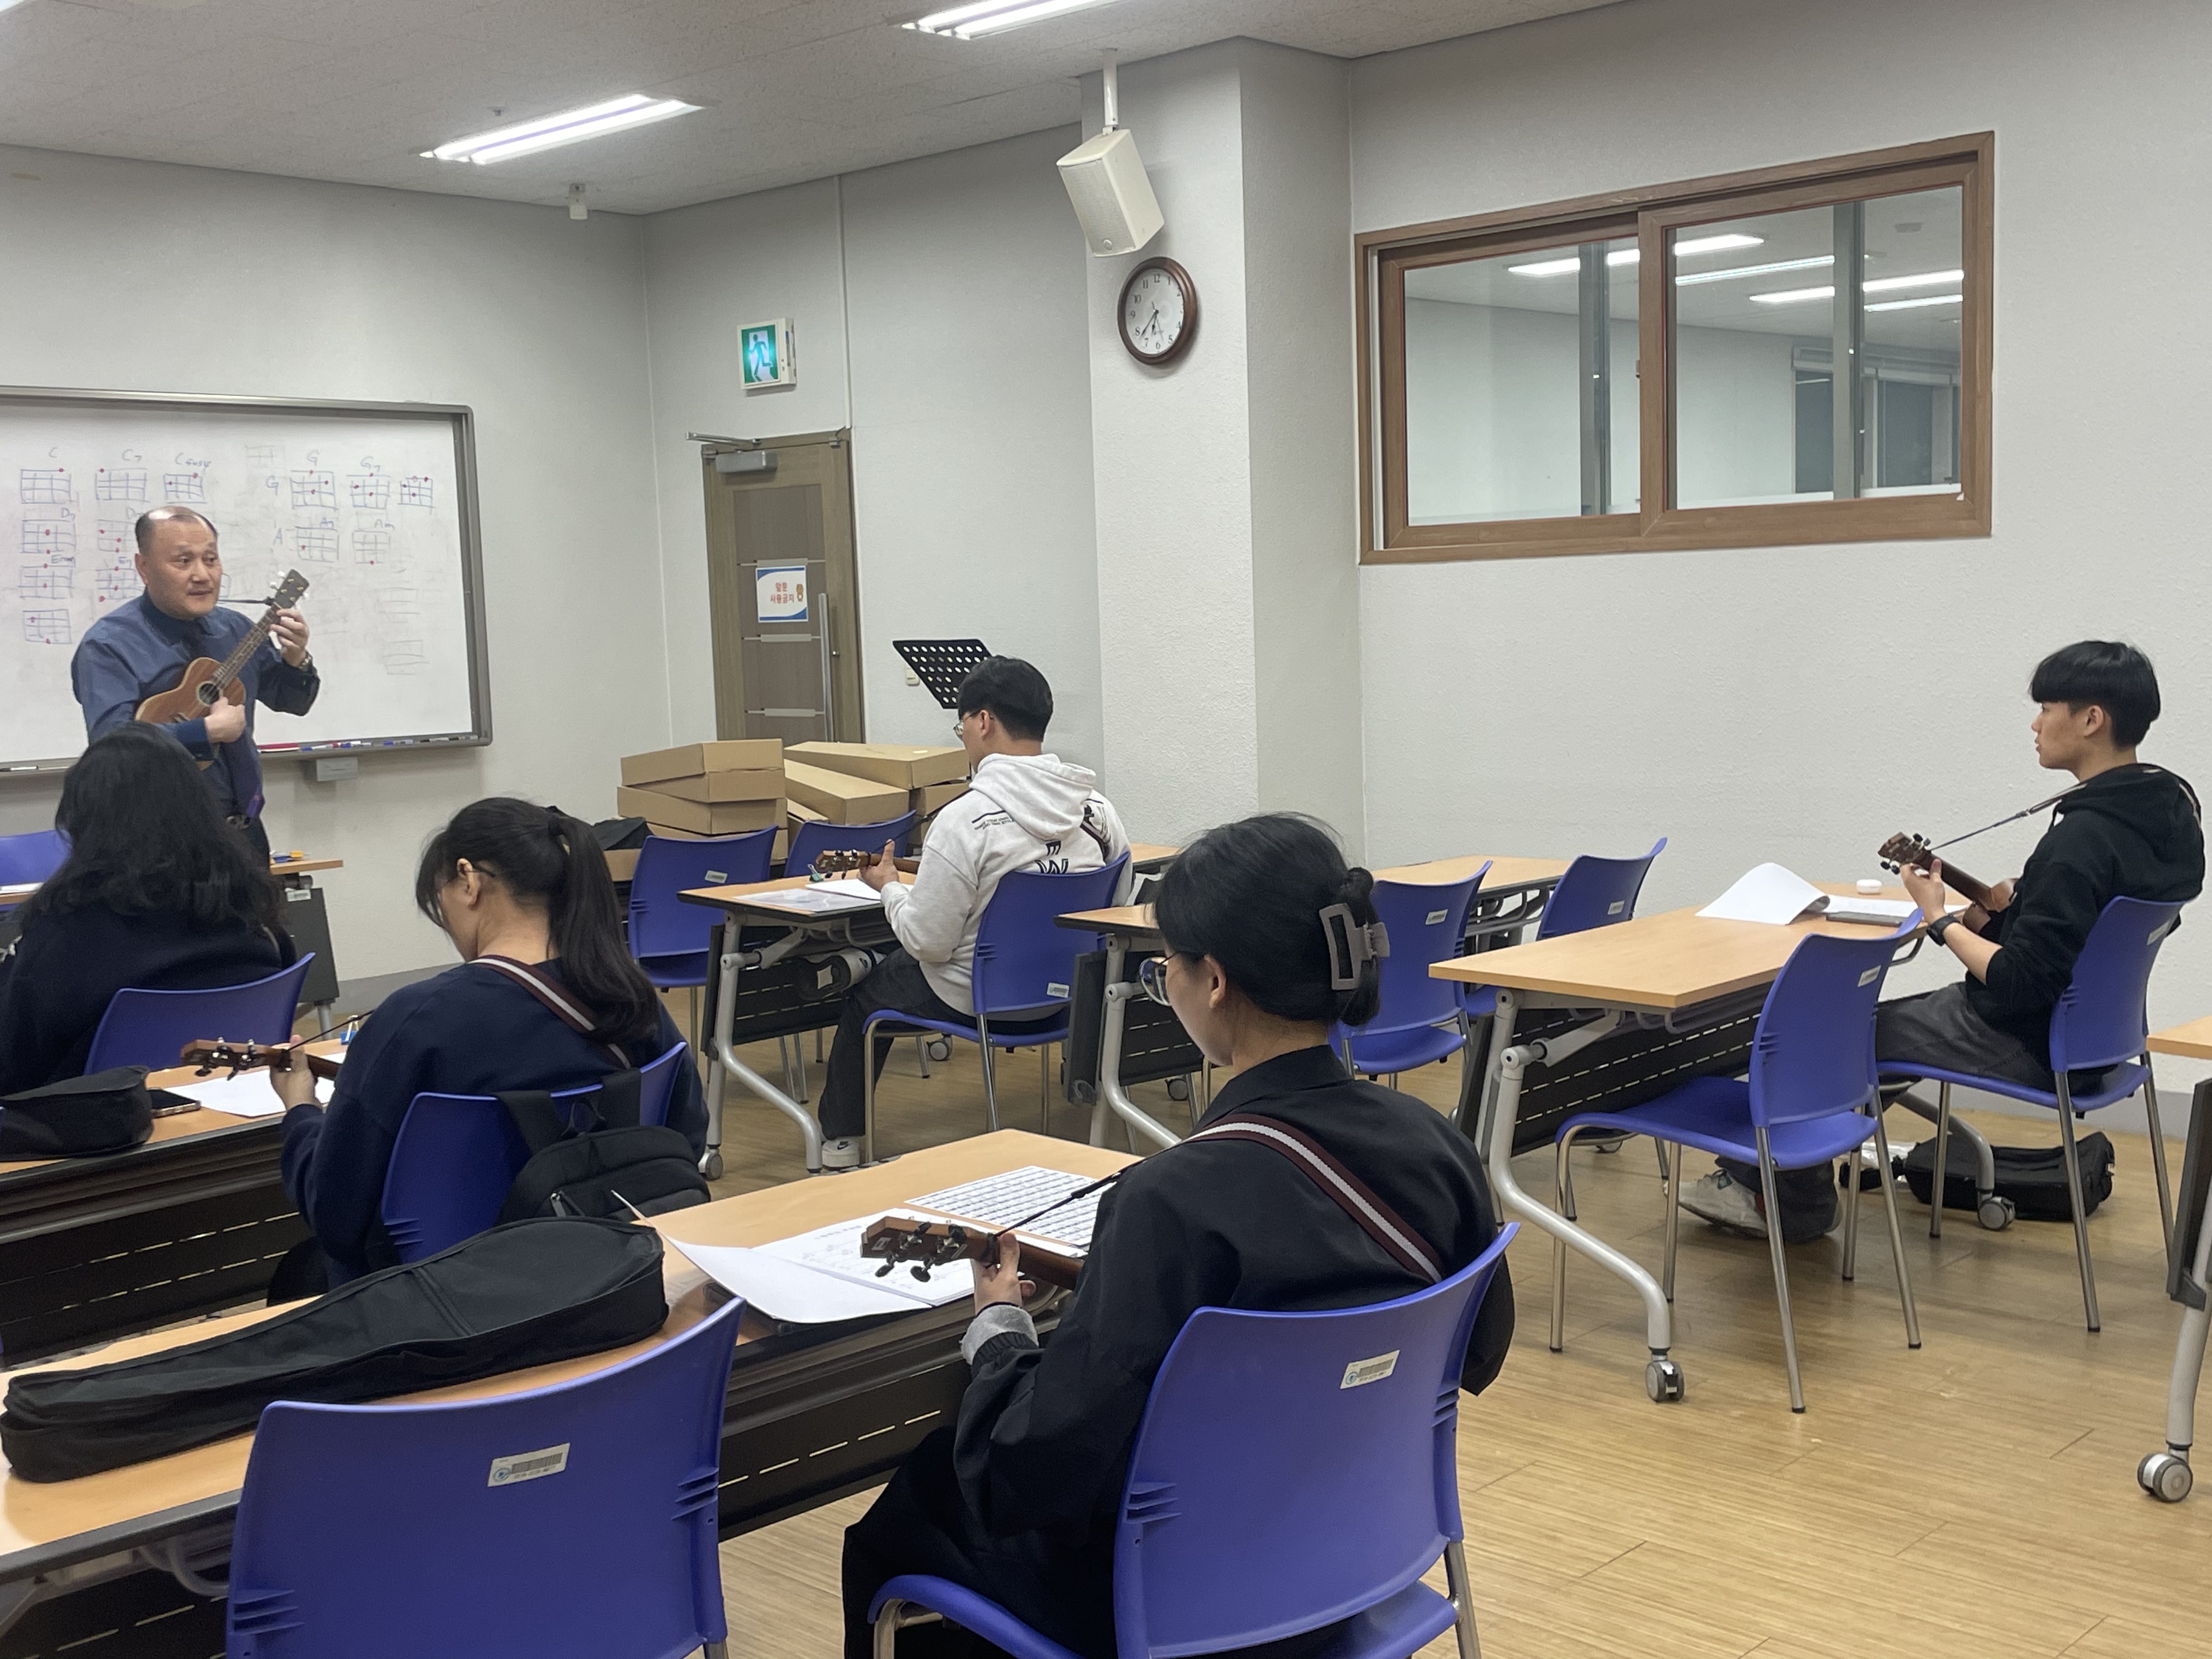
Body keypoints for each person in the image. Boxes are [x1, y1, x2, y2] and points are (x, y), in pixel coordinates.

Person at [841, 813, 1515, 1659]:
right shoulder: (1437, 1145)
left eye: (1167, 966)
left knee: (909, 1517)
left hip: (1187, 1605)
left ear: (1215, 981)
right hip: (1359, 1556)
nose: (1169, 982)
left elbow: (1029, 1473)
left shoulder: (1171, 1200)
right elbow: (1478, 1353)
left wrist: (1001, 1331)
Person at [1684, 640, 2205, 1240]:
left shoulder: (2081, 840)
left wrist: (1938, 918)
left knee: (1834, 1034)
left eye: (2046, 708)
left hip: (2027, 1036)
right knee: (1871, 1034)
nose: (2035, 725)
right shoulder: (2171, 811)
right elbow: (2086, 936)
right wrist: (1999, 915)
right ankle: (1796, 1178)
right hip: (2103, 1040)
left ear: (2092, 719)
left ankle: (1778, 1199)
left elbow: (2020, 980)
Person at [272, 798, 706, 1284]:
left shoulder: (415, 1020)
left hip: (450, 1297)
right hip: (617, 1274)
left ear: (468, 880)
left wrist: (300, 1109)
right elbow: (687, 1138)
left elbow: (335, 1214)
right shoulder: (630, 995)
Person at [817, 656, 1131, 1169]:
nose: (962, 736)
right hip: (1070, 997)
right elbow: (1117, 907)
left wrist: (890, 888)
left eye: (961, 723)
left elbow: (928, 943)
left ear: (983, 721)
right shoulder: (1097, 809)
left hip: (972, 999)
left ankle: (840, 1144)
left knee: (866, 996)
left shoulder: (964, 819)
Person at [0, 725, 298, 1094]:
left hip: (102, 1122)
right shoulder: (252, 916)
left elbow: (15, 1064)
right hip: (235, 1108)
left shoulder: (68, 932)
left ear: (84, 822)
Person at [70, 505, 319, 864]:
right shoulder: (109, 645)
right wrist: (205, 732)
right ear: (144, 568)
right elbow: (111, 746)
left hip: (243, 834)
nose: (202, 575)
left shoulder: (237, 629)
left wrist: (297, 659)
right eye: (183, 561)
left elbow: (292, 701)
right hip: (155, 844)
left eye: (211, 559)